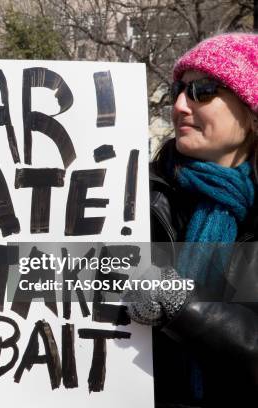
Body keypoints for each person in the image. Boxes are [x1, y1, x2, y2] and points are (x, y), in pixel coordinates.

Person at [126, 33, 258, 407]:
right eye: (178, 90)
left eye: (203, 90)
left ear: (251, 112)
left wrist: (181, 305)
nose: (181, 105)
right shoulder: (134, 196)